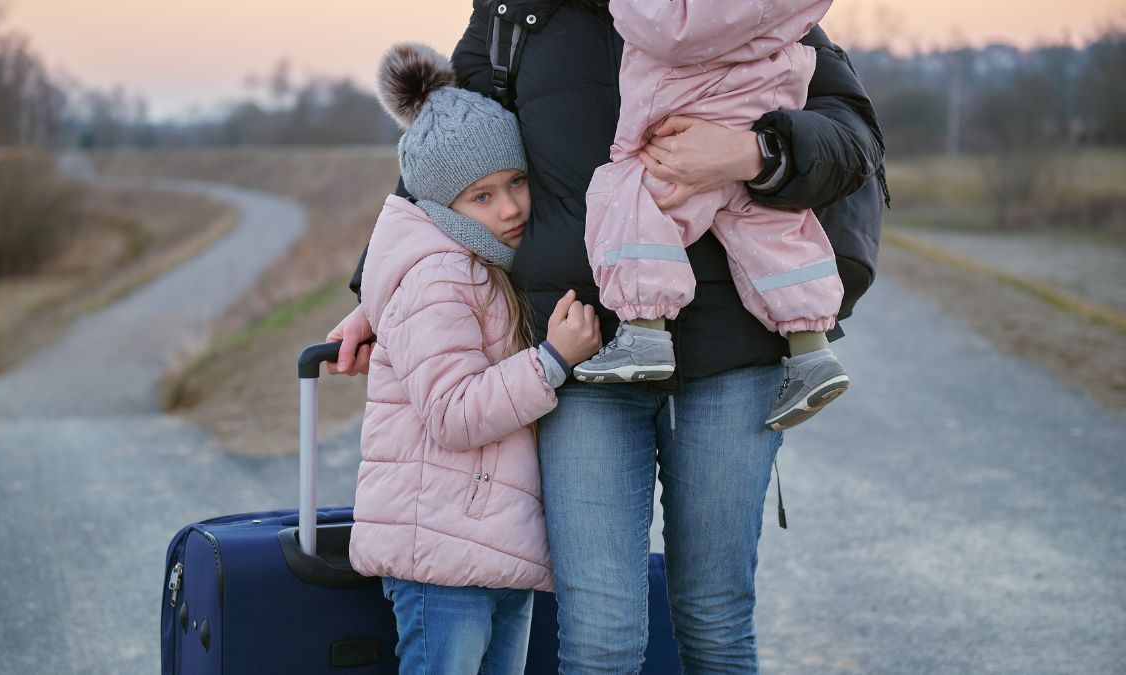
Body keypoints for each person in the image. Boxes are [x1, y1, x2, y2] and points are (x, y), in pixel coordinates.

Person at [332, 1, 886, 672]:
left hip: (733, 357)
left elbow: (853, 142)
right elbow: (442, 149)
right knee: (600, 640)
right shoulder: (518, 16)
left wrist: (751, 151)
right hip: (584, 357)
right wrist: (377, 292)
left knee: (715, 624)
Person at [347, 42, 601, 675]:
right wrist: (552, 361)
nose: (511, 207)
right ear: (441, 207)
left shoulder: (487, 263)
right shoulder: (438, 278)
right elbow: (453, 413)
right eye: (481, 197)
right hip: (438, 556)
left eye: (516, 182)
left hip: (489, 545)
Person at [574, 0, 850, 433]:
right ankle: (811, 351)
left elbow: (668, 28)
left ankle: (644, 330)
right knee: (772, 228)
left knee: (629, 197)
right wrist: (754, 152)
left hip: (685, 121)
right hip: (758, 116)